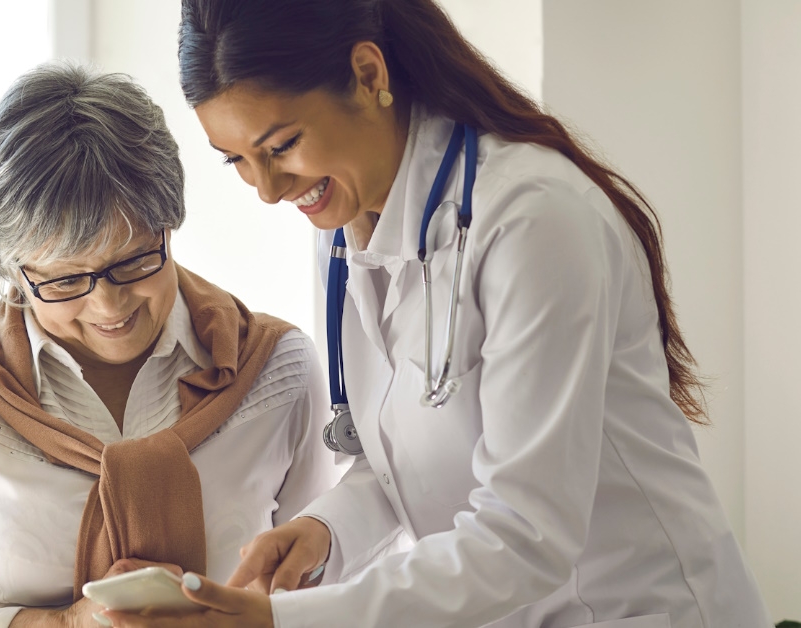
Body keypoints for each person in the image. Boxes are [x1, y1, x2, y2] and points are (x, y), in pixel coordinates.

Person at [101, 1, 773, 627]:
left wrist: (288, 620)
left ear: (368, 74)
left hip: (642, 609)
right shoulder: (341, 224)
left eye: (281, 147)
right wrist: (324, 532)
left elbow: (525, 533)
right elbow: (405, 464)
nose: (269, 191)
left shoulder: (532, 219)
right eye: (238, 162)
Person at [0, 62, 341, 628]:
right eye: (66, 280)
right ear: (13, 273)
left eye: (135, 261)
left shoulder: (277, 368)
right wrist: (58, 625)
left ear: (169, 225)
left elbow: (336, 591)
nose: (109, 307)